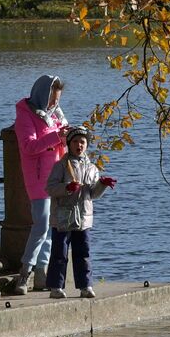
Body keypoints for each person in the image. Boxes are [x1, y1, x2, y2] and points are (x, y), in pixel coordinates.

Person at [43, 125, 117, 298]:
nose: (79, 145)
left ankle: (85, 286)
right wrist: (67, 188)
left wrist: (102, 185)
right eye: (75, 141)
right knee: (59, 253)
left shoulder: (92, 168)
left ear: (87, 145)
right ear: (69, 144)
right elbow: (50, 188)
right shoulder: (61, 165)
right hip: (62, 217)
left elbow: (93, 194)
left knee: (83, 253)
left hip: (83, 218)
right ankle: (56, 287)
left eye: (82, 142)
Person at [11, 73, 68, 295]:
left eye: (57, 100)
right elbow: (28, 146)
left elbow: (61, 143)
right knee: (41, 226)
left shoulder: (56, 116)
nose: (54, 104)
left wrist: (67, 138)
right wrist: (56, 137)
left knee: (52, 227)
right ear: (43, 96)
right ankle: (25, 272)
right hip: (37, 179)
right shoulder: (25, 115)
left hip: (56, 178)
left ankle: (42, 274)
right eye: (52, 100)